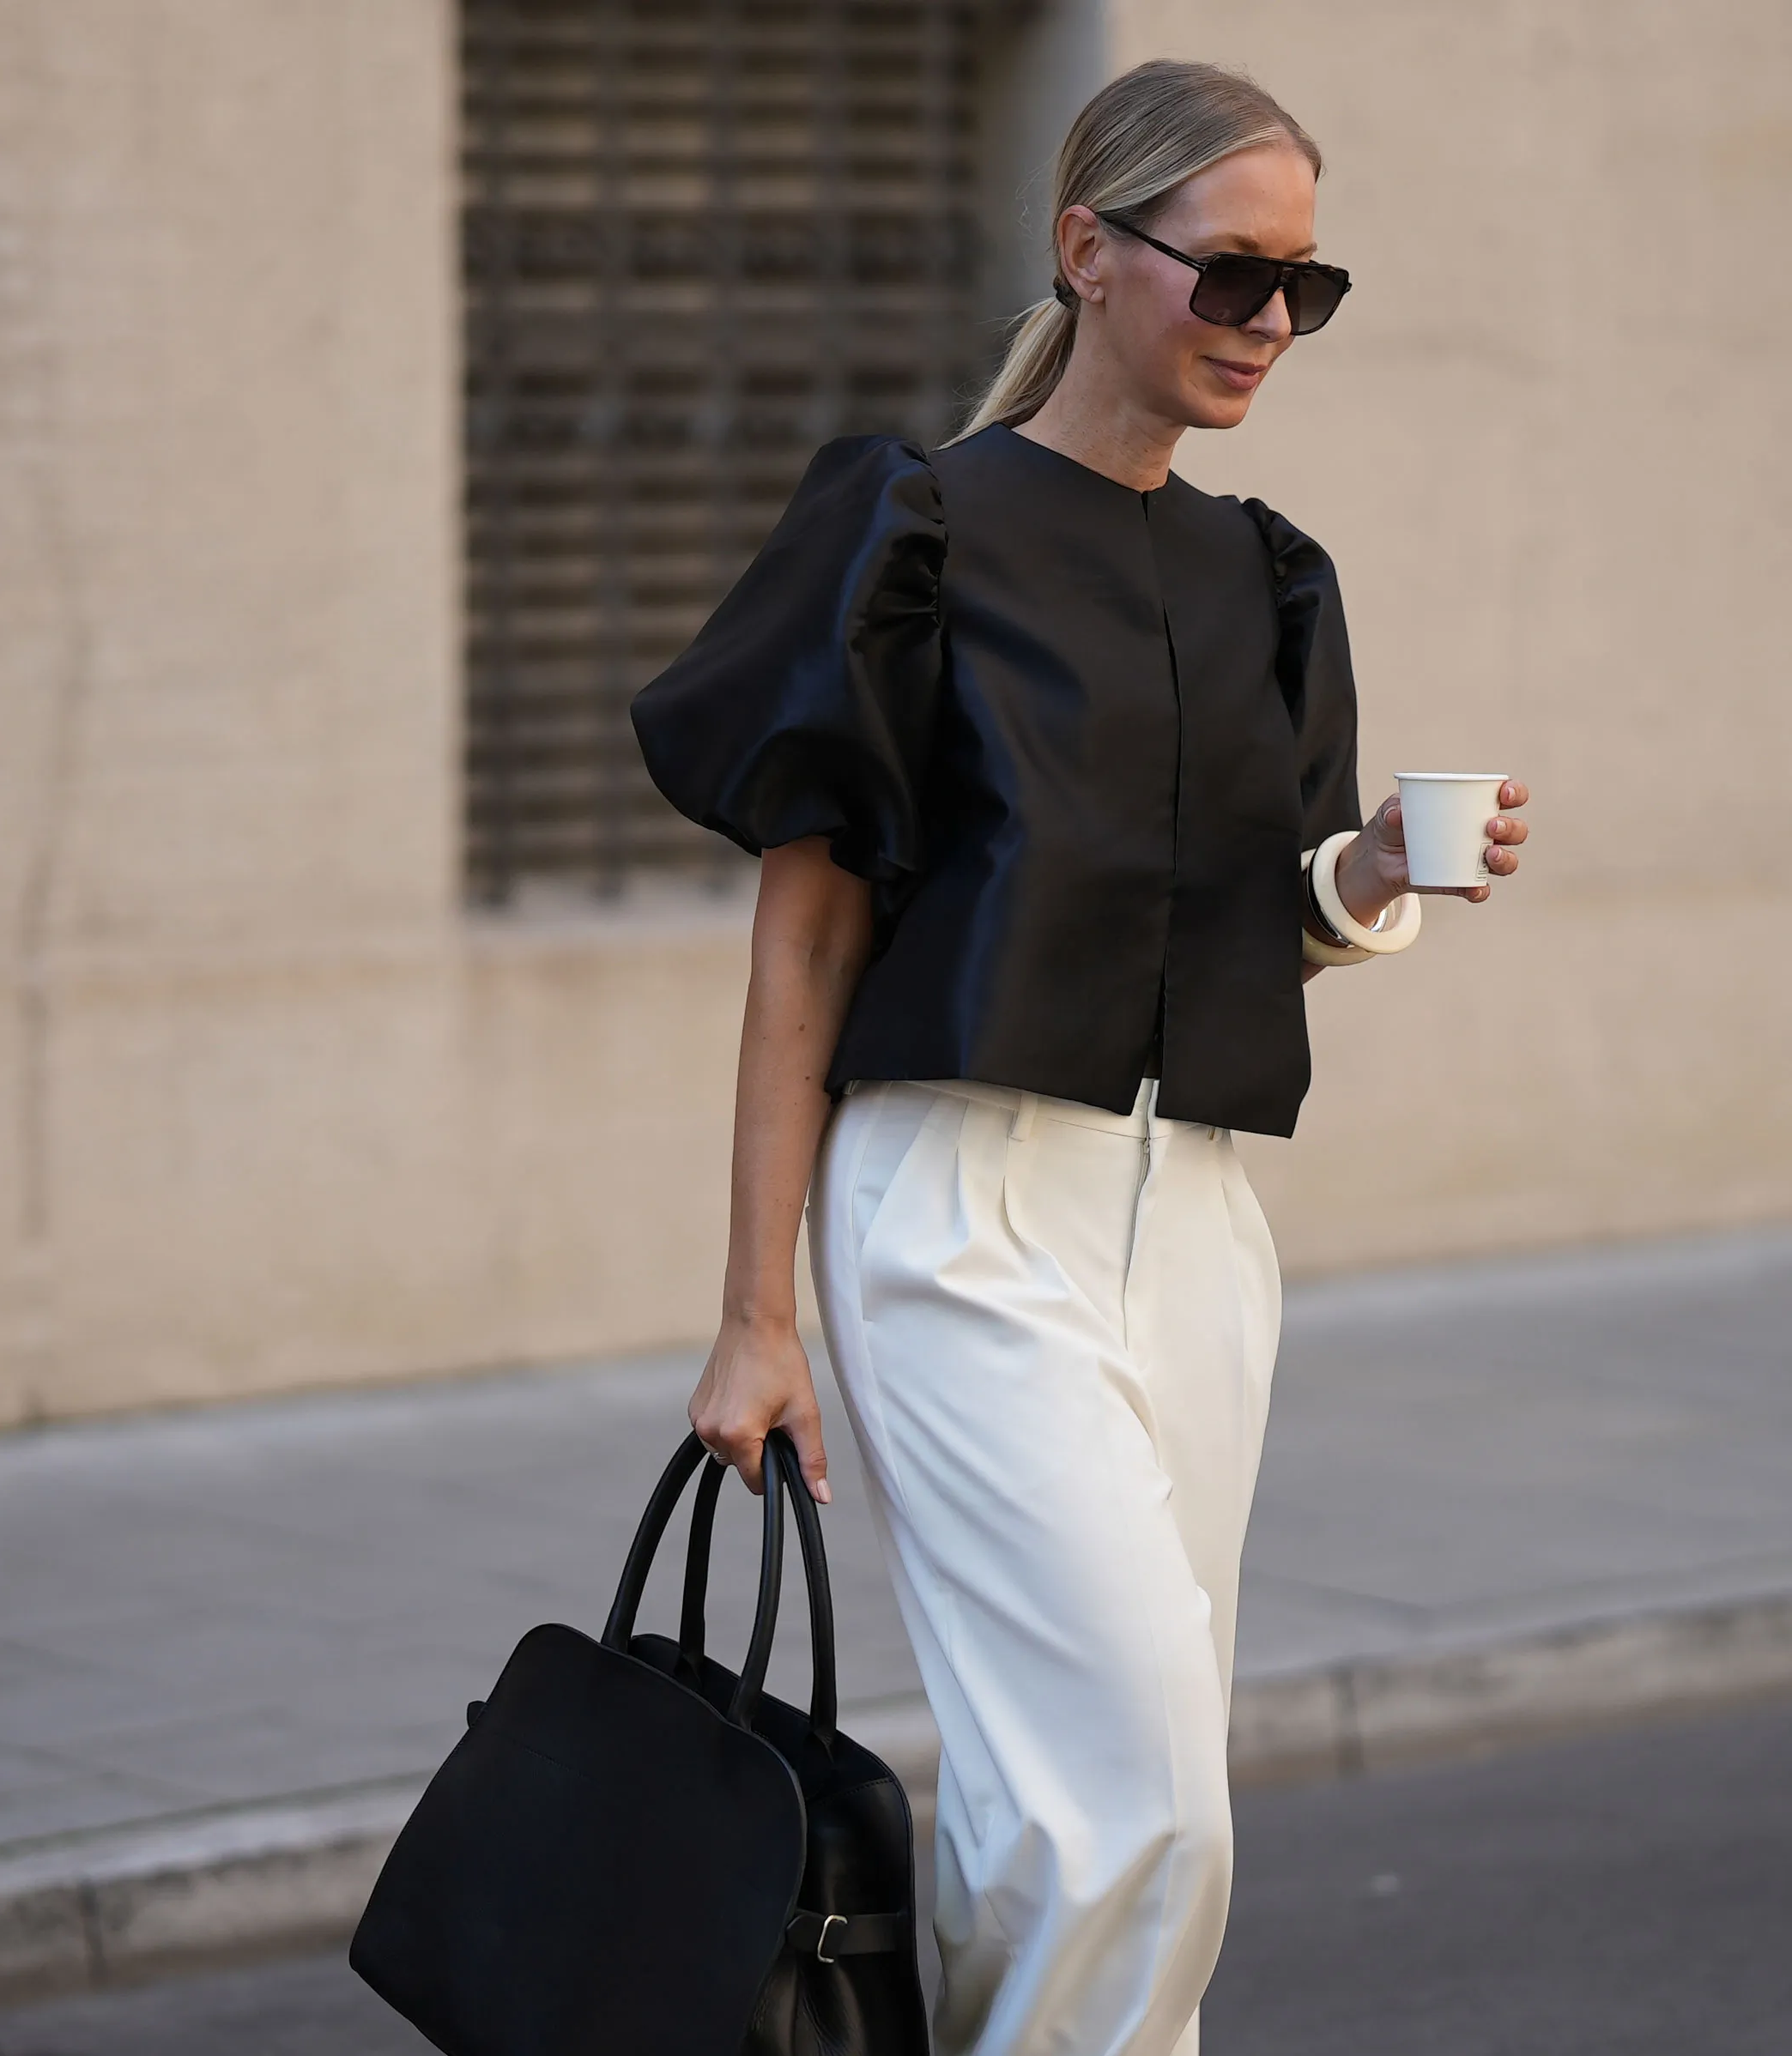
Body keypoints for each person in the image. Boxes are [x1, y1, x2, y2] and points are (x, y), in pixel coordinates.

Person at [631, 58, 1525, 2056]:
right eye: (1231, 278)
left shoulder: (1267, 575)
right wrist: (747, 1313)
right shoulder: (914, 531)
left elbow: (1245, 926)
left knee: (1069, 1809)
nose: (1269, 328)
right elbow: (805, 948)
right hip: (954, 1216)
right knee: (1140, 1809)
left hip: (1194, 1232)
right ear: (1085, 251)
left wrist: (1368, 872)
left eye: (1307, 288)